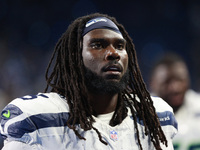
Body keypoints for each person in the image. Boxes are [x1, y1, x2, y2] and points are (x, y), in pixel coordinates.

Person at [0, 13, 177, 150]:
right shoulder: (36, 119)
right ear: (75, 58)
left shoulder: (156, 115)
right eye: (98, 45)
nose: (113, 53)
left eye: (120, 46)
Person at [149, 53, 200, 150]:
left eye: (180, 80)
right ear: (153, 83)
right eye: (167, 82)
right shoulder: (138, 116)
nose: (175, 88)